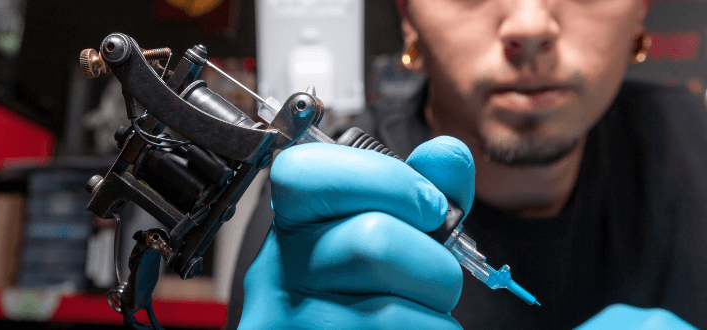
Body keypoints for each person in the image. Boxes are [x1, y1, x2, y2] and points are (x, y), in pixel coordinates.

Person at [227, 0, 707, 328]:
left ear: (641, 8)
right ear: (409, 15)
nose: (530, 26)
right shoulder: (322, 223)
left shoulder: (694, 144)